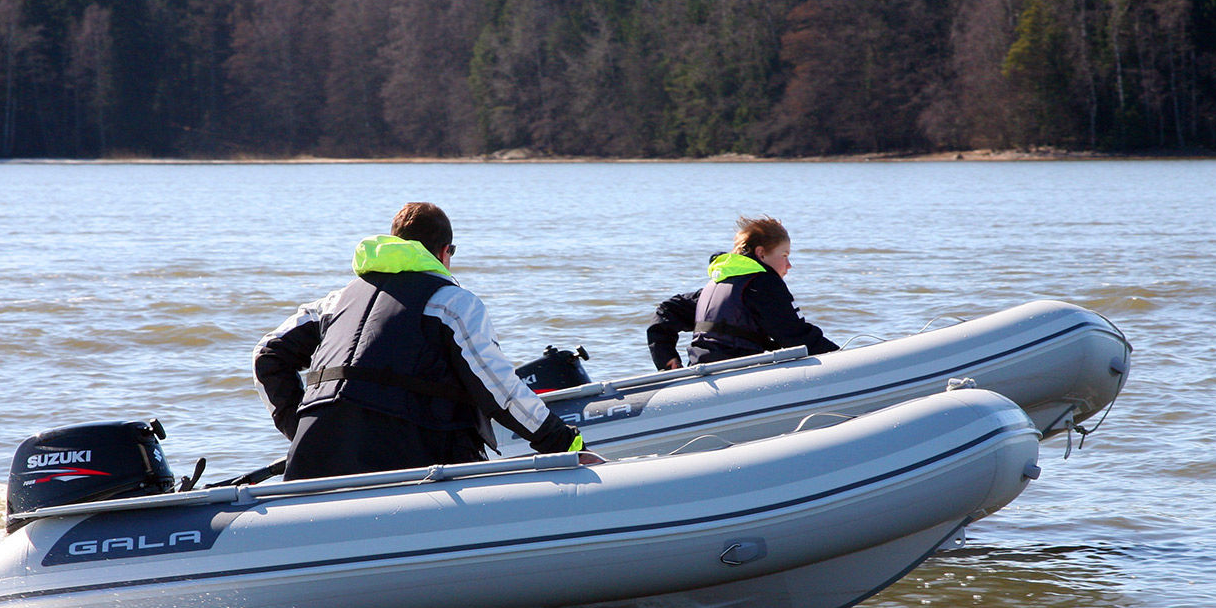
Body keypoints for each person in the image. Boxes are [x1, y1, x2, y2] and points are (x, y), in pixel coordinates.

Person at [254, 202, 598, 480]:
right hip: (407, 464)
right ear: (445, 251)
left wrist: (299, 430)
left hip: (315, 459)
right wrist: (565, 443)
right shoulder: (453, 303)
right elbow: (500, 390)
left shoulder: (333, 302)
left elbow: (267, 354)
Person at [646, 215, 841, 370]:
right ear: (761, 254)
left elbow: (666, 310)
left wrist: (666, 357)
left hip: (702, 372)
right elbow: (795, 337)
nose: (789, 265)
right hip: (736, 378)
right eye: (784, 256)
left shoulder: (717, 285)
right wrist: (843, 358)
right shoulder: (763, 283)